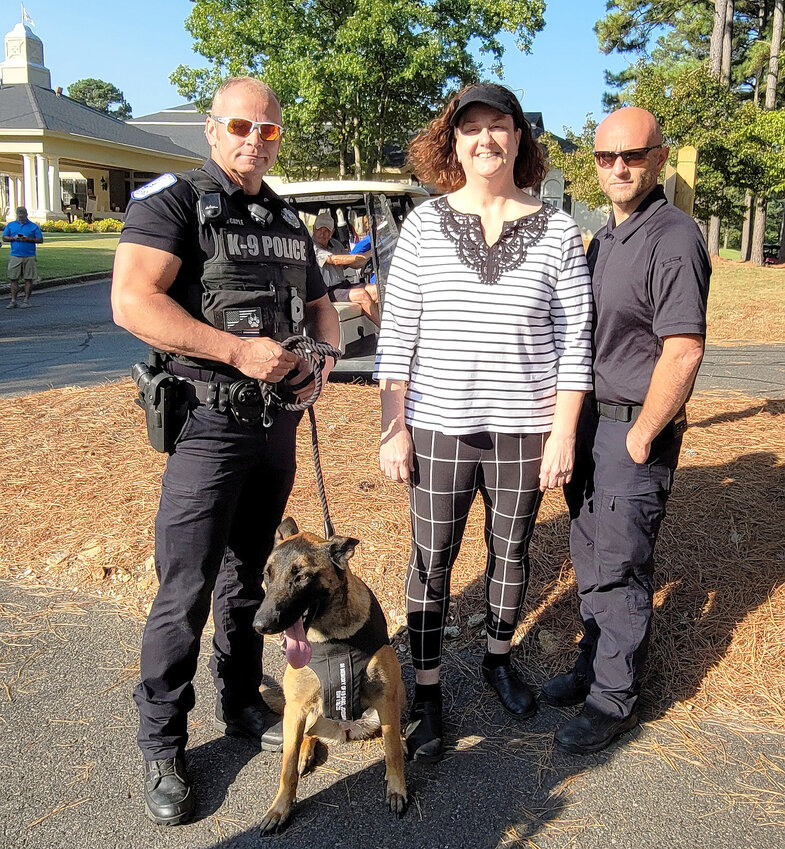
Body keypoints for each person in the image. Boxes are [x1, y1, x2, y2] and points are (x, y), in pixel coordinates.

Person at [111, 77, 340, 825]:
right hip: (207, 425)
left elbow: (318, 307)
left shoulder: (281, 214)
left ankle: (240, 701)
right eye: (240, 126)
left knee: (251, 581)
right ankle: (162, 744)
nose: (253, 139)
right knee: (184, 590)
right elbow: (133, 300)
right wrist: (235, 351)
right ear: (213, 130)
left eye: (268, 130)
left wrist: (322, 360)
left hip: (274, 426)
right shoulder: (173, 200)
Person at [375, 83, 593, 762]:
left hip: (523, 429)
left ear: (519, 138)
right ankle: (429, 687)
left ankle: (498, 658)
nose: (485, 140)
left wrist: (561, 432)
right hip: (436, 425)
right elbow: (396, 335)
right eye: (470, 129)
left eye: (499, 127)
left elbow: (574, 339)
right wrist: (393, 426)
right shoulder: (422, 224)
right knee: (430, 561)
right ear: (451, 142)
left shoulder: (557, 229)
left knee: (511, 552)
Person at [540, 107, 710, 754]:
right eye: (605, 157)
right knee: (590, 557)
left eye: (632, 156)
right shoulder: (605, 237)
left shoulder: (672, 236)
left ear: (658, 158)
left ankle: (613, 700)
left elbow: (684, 348)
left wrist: (641, 437)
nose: (617, 167)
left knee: (619, 566)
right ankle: (591, 667)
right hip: (587, 428)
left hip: (627, 433)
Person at [312, 211, 378, 325]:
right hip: (326, 292)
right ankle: (387, 333)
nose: (323, 234)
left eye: (326, 231)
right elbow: (336, 260)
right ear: (314, 229)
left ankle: (379, 329)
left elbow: (352, 263)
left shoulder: (335, 244)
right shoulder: (312, 246)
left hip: (342, 285)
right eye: (320, 230)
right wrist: (366, 255)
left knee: (377, 290)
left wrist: (368, 257)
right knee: (362, 295)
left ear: (332, 232)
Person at [3, 206, 43, 308]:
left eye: (23, 215)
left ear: (26, 215)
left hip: (29, 255)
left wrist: (28, 239)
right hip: (15, 255)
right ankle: (13, 301)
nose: (21, 217)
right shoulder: (11, 225)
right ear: (17, 215)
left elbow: (40, 240)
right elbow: (4, 237)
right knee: (13, 278)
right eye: (19, 215)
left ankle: (26, 300)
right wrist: (13, 238)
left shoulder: (33, 226)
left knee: (28, 279)